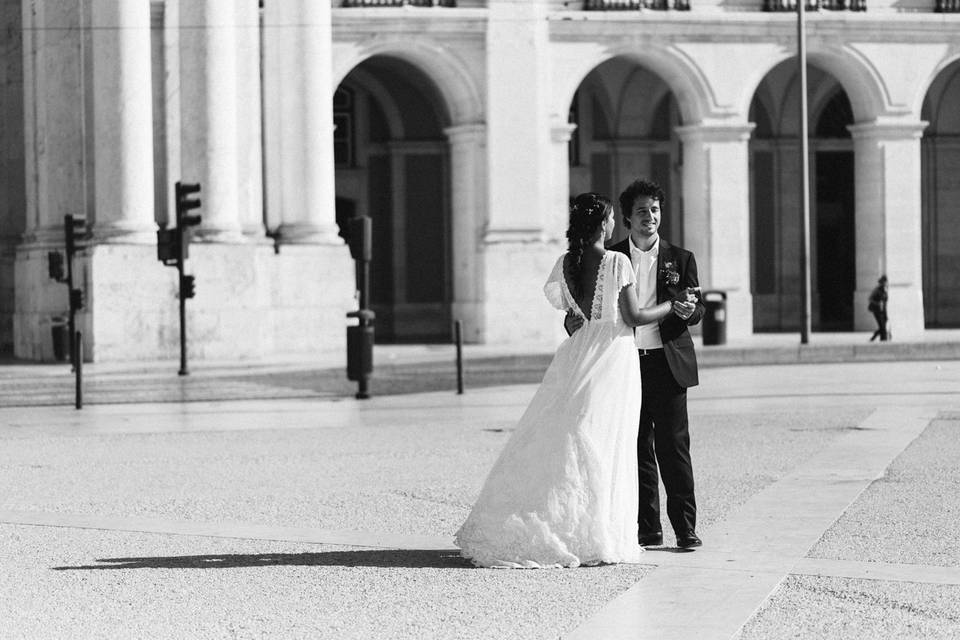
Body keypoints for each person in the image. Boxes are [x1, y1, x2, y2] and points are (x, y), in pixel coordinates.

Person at [455, 193, 695, 568]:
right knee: (610, 441)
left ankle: (583, 525)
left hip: (580, 353)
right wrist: (673, 303)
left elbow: (572, 319)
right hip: (614, 356)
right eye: (613, 218)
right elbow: (632, 317)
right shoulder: (617, 261)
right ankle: (601, 530)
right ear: (604, 224)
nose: (616, 224)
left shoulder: (566, 263)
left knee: (580, 435)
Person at [567, 179, 705, 550]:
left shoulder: (682, 258)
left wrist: (692, 311)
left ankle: (686, 528)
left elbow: (696, 305)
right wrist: (573, 322)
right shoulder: (610, 256)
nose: (650, 217)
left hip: (668, 360)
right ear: (626, 218)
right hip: (625, 363)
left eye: (655, 210)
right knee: (635, 446)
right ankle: (648, 527)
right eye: (642, 211)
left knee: (674, 447)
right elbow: (582, 307)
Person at [868, 275, 889, 342]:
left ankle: (876, 335)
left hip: (883, 311)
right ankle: (883, 339)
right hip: (877, 311)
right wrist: (878, 304)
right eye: (885, 282)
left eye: (886, 282)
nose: (886, 283)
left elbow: (885, 300)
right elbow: (870, 299)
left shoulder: (885, 290)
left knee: (883, 326)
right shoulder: (877, 290)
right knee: (882, 326)